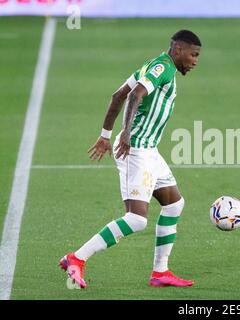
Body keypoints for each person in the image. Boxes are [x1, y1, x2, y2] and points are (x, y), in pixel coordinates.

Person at [59, 29, 202, 288]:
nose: (195, 61)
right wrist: (125, 132)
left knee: (174, 204)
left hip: (149, 150)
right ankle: (76, 258)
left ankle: (160, 272)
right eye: (193, 54)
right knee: (136, 219)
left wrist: (105, 135)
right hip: (135, 150)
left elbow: (117, 96)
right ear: (178, 49)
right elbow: (135, 94)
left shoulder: (153, 66)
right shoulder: (162, 68)